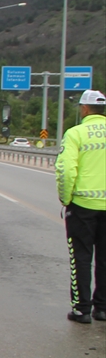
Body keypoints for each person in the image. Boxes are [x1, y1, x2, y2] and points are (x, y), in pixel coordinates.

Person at [55, 89, 106, 324]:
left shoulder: (76, 133)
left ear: (85, 109)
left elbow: (65, 170)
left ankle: (82, 309)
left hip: (83, 205)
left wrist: (66, 199)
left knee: (81, 257)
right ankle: (102, 308)